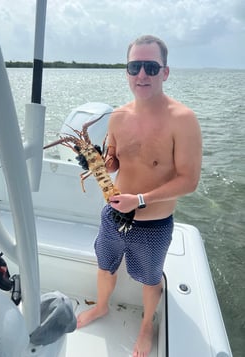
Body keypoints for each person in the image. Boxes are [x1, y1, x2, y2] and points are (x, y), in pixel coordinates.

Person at [77, 35, 202, 357]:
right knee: (105, 267)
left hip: (153, 224)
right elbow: (114, 161)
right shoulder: (118, 116)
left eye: (150, 66)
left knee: (150, 279)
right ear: (127, 71)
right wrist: (97, 161)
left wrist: (140, 200)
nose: (142, 74)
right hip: (113, 216)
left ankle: (146, 325)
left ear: (165, 72)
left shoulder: (183, 119)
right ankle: (102, 306)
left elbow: (189, 181)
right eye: (135, 66)